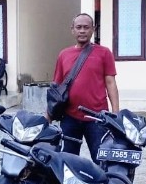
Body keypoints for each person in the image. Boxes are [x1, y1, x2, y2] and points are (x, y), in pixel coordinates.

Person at [48, 13, 119, 162]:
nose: (82, 31)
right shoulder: (63, 55)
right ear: (72, 30)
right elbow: (57, 88)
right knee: (68, 160)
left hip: (97, 117)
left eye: (86, 27)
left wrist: (115, 114)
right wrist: (48, 115)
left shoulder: (104, 53)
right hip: (70, 117)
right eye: (78, 27)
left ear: (93, 29)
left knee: (102, 160)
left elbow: (110, 83)